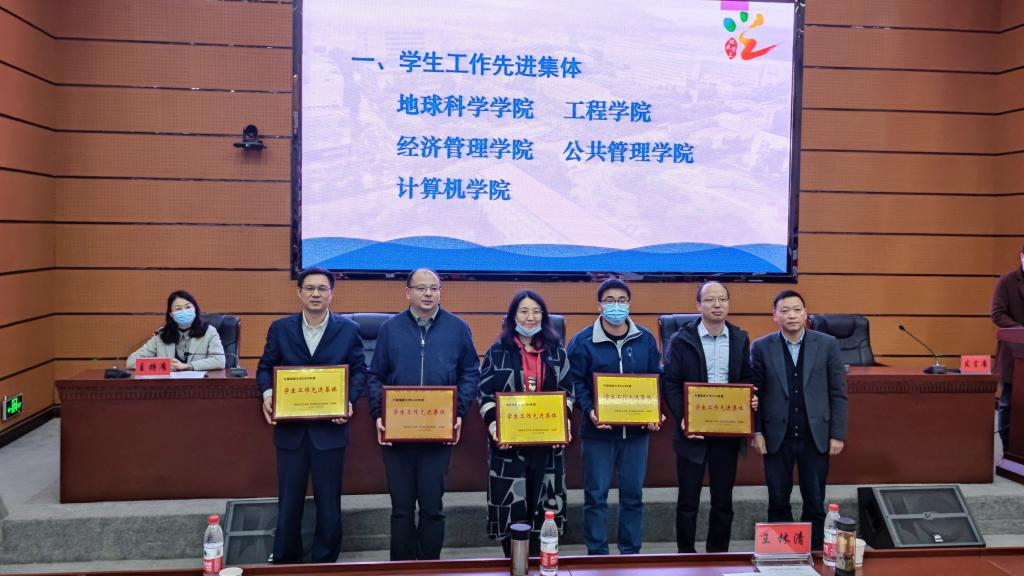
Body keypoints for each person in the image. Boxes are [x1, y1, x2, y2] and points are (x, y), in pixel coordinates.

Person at [256, 267, 367, 564]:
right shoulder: (281, 328)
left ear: (331, 293)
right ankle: (286, 560)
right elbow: (265, 367)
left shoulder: (348, 330)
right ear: (299, 292)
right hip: (291, 431)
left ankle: (325, 561)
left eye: (322, 288)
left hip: (330, 430)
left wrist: (348, 401)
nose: (316, 294)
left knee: (328, 502)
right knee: (289, 501)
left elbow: (359, 371)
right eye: (309, 288)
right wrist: (268, 395)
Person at [368, 268, 480, 560]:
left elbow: (470, 373)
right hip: (398, 434)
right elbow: (375, 375)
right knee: (401, 509)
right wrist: (379, 414)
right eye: (421, 288)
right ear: (408, 292)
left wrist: (458, 412)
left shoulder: (458, 328)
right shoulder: (390, 329)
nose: (428, 293)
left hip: (437, 433)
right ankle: (402, 568)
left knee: (432, 508)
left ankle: (430, 566)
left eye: (434, 288)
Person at [567, 278, 663, 555]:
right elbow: (575, 383)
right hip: (598, 433)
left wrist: (654, 412)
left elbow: (655, 379)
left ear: (629, 304)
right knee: (595, 496)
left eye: (621, 300)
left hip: (636, 435)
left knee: (633, 496)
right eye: (609, 301)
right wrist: (590, 410)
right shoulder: (582, 341)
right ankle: (597, 555)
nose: (616, 306)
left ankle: (630, 554)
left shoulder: (645, 339)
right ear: (599, 305)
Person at [662, 281, 756, 553]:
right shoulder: (681, 339)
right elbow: (671, 382)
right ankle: (686, 556)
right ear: (698, 305)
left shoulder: (740, 338)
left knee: (723, 500)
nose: (717, 305)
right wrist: (683, 417)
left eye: (722, 299)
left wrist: (750, 399)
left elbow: (746, 379)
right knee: (688, 499)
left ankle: (718, 555)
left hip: (727, 432)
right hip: (693, 432)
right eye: (711, 300)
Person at [478, 290, 573, 558]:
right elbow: (484, 395)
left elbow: (568, 393)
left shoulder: (557, 352)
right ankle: (515, 565)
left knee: (545, 510)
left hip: (547, 447)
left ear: (544, 316)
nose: (530, 317)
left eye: (536, 311)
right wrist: (496, 428)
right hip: (508, 448)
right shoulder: (497, 352)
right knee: (512, 510)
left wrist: (563, 424)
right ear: (513, 316)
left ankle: (543, 564)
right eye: (524, 311)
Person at [752, 290, 848, 550]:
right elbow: (755, 393)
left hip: (815, 435)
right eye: (784, 310)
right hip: (776, 437)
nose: (791, 315)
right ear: (775, 316)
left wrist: (837, 434)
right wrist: (757, 432)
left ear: (806, 313)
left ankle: (815, 554)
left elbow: (838, 393)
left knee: (815, 501)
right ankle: (780, 556)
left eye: (797, 309)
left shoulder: (827, 344)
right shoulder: (761, 346)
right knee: (777, 500)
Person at [126, 290, 225, 371]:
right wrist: (164, 366)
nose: (184, 311)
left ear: (195, 309)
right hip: (168, 387)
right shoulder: (162, 335)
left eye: (188, 307)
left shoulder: (209, 332)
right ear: (171, 314)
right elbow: (131, 362)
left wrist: (187, 366)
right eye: (178, 309)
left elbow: (220, 360)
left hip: (198, 386)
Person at [992, 242, 1024, 452]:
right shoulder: (1007, 281)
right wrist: (1021, 330)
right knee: (1008, 403)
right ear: (1022, 257)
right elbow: (997, 314)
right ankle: (1007, 450)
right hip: (1014, 354)